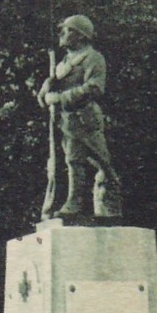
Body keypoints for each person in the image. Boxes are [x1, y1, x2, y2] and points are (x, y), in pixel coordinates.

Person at [38, 14, 123, 223]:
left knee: (103, 163)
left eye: (67, 30)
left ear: (81, 36)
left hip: (87, 120)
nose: (62, 34)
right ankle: (73, 203)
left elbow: (94, 88)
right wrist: (45, 90)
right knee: (73, 161)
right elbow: (52, 88)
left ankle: (109, 207)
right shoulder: (63, 63)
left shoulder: (93, 58)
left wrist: (60, 97)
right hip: (68, 122)